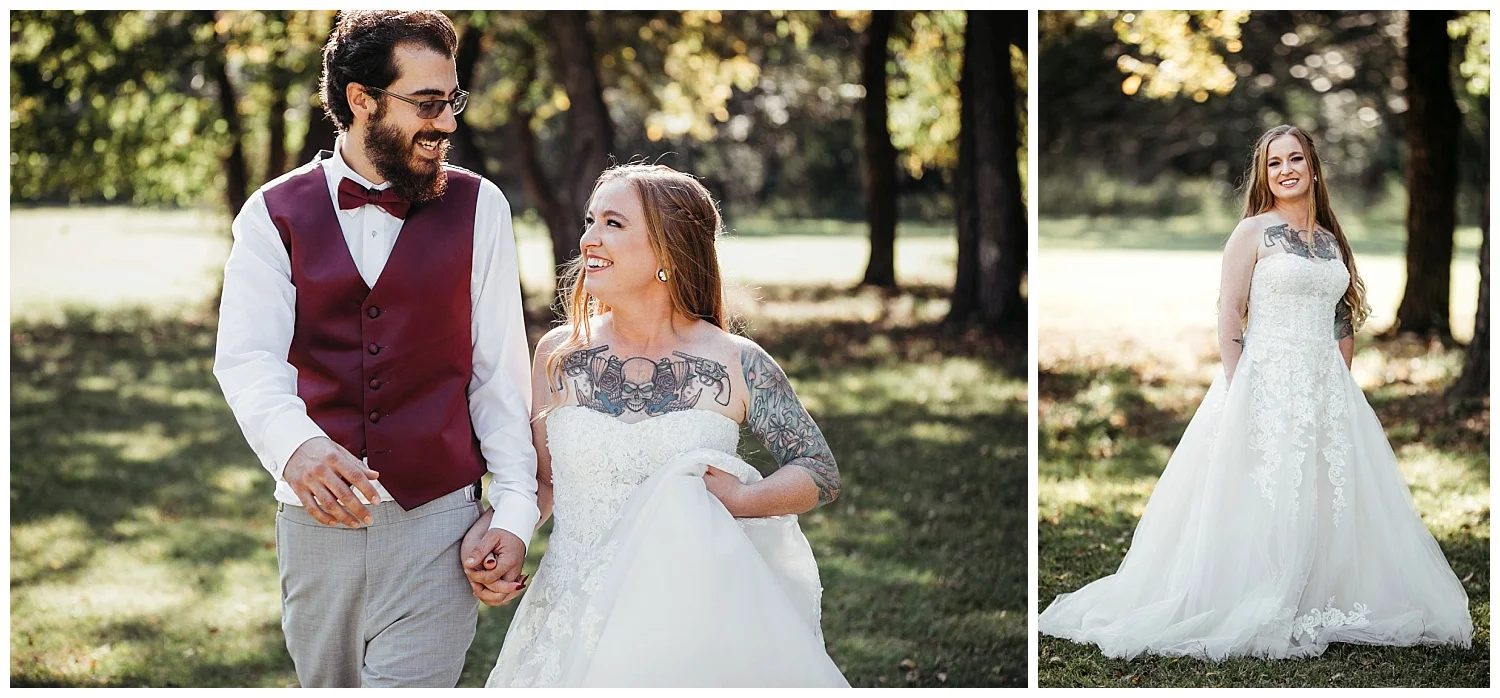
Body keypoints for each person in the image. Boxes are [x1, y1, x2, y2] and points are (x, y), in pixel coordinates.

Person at [1038, 125, 1473, 660]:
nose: (1286, 169)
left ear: (1313, 167)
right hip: (1263, 380)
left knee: (1326, 491)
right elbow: (1227, 312)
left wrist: (1342, 386)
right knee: (1263, 490)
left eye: (1295, 159)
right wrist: (1239, 382)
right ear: (1264, 175)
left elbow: (1341, 317)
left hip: (1326, 387)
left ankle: (1323, 594)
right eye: (1274, 163)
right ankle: (1253, 592)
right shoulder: (1252, 233)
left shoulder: (1330, 241)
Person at [212, 10, 538, 687]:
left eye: (451, 101)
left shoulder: (482, 208)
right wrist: (296, 446)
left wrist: (513, 512)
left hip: (439, 525)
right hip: (315, 526)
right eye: (426, 103)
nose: (446, 122)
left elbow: (499, 380)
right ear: (361, 99)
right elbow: (248, 359)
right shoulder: (272, 213)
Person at [464, 164, 850, 687]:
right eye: (590, 219)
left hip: (694, 615)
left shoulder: (738, 362)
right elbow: (544, 480)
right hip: (572, 614)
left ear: (667, 251)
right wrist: (505, 531)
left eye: (613, 224)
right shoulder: (558, 354)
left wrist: (741, 499)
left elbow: (819, 470)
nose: (588, 239)